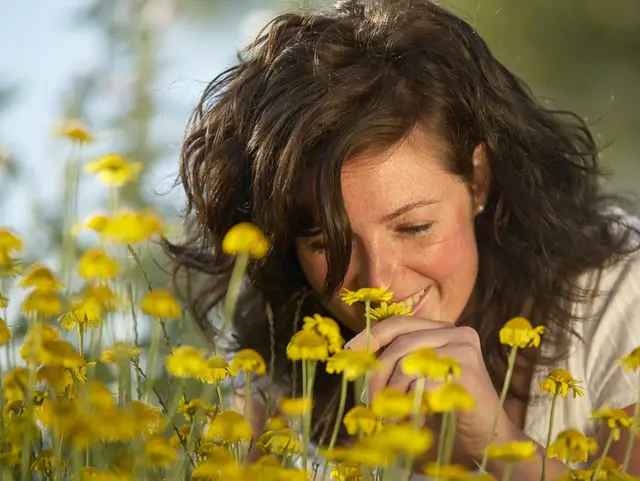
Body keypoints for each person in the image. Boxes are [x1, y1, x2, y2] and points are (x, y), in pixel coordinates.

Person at [166, 0, 640, 477]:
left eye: (414, 228)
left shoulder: (622, 300)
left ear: (478, 180)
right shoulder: (278, 360)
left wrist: (499, 447)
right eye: (328, 244)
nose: (380, 282)